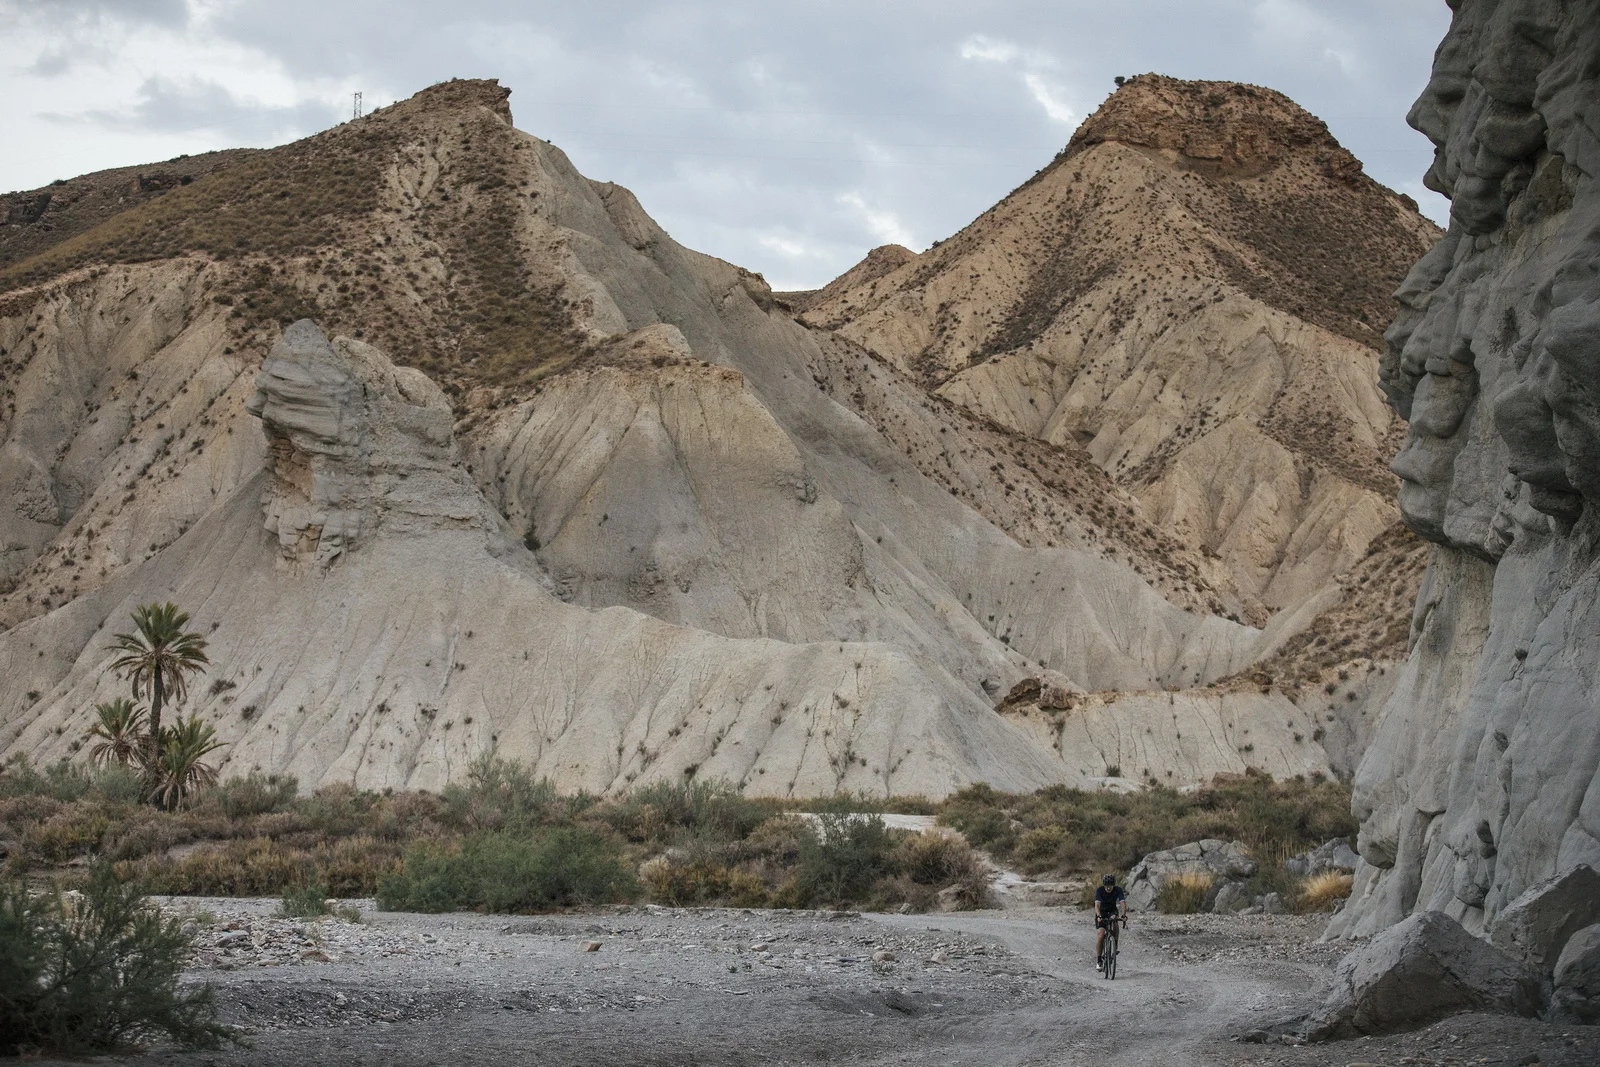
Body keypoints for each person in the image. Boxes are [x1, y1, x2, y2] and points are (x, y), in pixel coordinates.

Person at [1094, 873, 1127, 971]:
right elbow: (1097, 905)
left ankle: (1115, 945)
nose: (1108, 888)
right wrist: (1099, 916)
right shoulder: (1099, 890)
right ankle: (1099, 960)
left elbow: (1122, 902)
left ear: (1113, 885)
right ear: (1104, 885)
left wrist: (1124, 914)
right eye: (1107, 886)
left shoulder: (1118, 890)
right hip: (1102, 912)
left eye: (1110, 886)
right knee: (1101, 935)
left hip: (1112, 911)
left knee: (1114, 921)